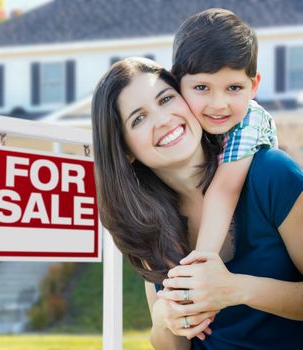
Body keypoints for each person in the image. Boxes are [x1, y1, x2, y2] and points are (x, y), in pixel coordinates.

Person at [91, 56, 303, 349]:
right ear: (125, 150)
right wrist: (165, 318)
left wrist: (236, 290)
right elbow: (172, 343)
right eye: (139, 119)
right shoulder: (147, 222)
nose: (163, 120)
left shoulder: (270, 174)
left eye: (166, 99)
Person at [171, 8, 278, 257]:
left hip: (261, 231)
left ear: (253, 86)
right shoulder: (182, 120)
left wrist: (202, 260)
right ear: (177, 83)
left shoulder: (250, 120)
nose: (219, 104)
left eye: (233, 87)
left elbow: (225, 190)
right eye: (201, 87)